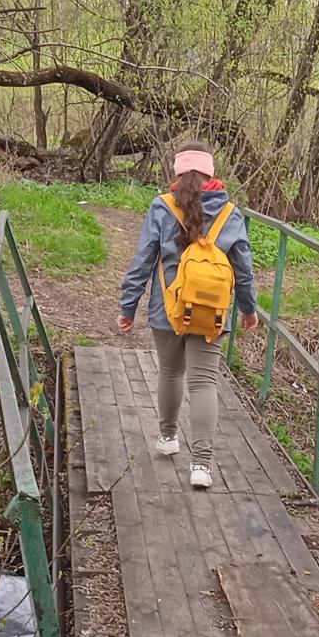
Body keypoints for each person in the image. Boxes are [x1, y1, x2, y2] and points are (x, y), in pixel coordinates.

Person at [118, 139, 259, 489]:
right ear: (212, 173)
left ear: (177, 172)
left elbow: (142, 261)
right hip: (211, 312)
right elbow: (243, 265)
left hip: (166, 309)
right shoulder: (230, 213)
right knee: (203, 382)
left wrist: (128, 306)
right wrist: (248, 308)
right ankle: (202, 465)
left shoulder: (162, 207)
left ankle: (168, 438)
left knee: (170, 371)